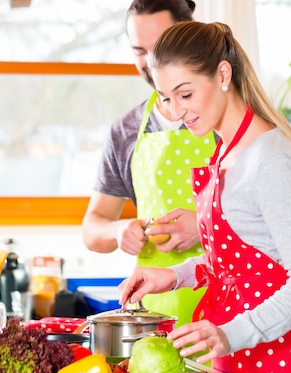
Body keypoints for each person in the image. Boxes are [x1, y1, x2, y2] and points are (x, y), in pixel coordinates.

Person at [118, 21, 291, 373]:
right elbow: (244, 263)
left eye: (185, 94)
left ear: (222, 74)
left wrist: (228, 334)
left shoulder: (269, 159)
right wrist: (176, 275)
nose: (176, 111)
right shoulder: (227, 152)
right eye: (166, 98)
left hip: (288, 362)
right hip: (243, 357)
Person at [82, 0, 216, 327]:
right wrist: (118, 230)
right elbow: (92, 228)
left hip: (230, 316)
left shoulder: (225, 115)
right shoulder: (126, 131)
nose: (151, 62)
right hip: (159, 319)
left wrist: (204, 225)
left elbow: (273, 222)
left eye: (161, 46)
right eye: (140, 50)